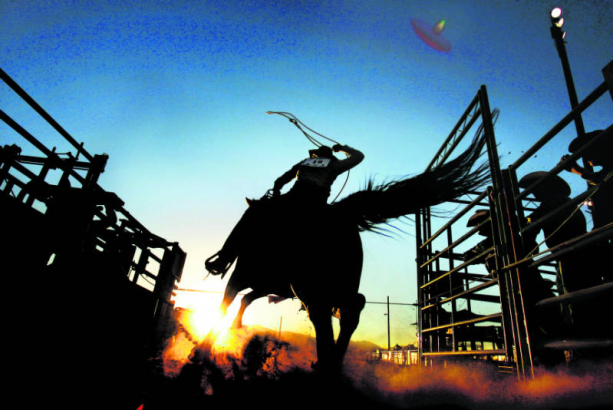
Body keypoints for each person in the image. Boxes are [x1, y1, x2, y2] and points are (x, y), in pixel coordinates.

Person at [205, 143, 364, 275]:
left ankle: (224, 258)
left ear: (316, 155)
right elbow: (359, 157)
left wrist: (276, 190)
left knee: (253, 212)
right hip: (315, 205)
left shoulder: (305, 162)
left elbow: (283, 178)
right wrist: (343, 148)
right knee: (340, 230)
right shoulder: (335, 165)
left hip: (291, 199)